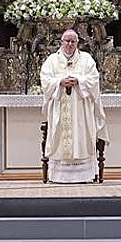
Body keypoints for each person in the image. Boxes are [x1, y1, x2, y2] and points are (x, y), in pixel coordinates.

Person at [40, 29, 107, 183]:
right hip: (59, 107)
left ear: (77, 43)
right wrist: (59, 82)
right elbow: (45, 80)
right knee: (60, 138)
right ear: (61, 42)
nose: (69, 44)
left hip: (81, 110)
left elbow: (94, 80)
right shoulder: (52, 60)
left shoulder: (86, 59)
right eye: (67, 41)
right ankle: (59, 176)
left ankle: (84, 175)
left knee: (81, 137)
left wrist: (79, 81)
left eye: (73, 41)